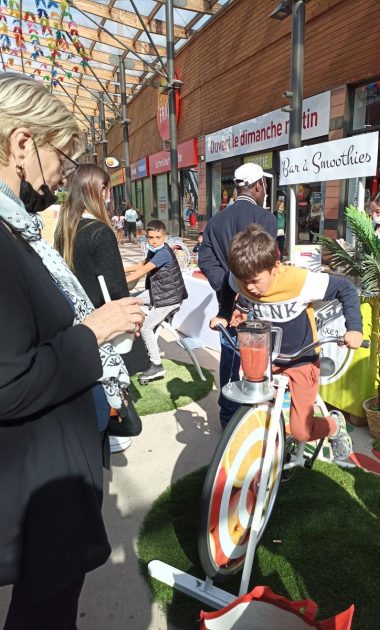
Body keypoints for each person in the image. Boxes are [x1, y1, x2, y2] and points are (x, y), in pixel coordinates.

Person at [0, 72, 145, 629]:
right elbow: (9, 380)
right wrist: (94, 332)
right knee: (45, 612)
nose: (65, 170)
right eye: (62, 152)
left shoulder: (21, 228)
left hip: (47, 468)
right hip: (38, 481)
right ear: (21, 142)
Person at [211, 225, 363, 460]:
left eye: (254, 281)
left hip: (302, 358)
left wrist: (353, 328)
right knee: (258, 412)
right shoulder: (240, 278)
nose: (249, 288)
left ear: (275, 267)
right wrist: (224, 312)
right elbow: (228, 287)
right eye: (244, 282)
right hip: (266, 358)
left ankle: (333, 425)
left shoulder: (299, 280)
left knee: (302, 430)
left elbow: (345, 288)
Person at [54, 164, 148, 454]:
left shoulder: (65, 229)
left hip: (79, 319)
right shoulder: (99, 231)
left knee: (97, 376)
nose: (109, 195)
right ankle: (113, 424)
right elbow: (117, 288)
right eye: (106, 188)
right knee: (113, 376)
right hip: (106, 318)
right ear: (99, 190)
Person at [199, 162, 277, 429]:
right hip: (257, 305)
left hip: (228, 306)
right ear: (258, 186)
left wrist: (226, 289)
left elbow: (205, 261)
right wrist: (240, 298)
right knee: (261, 359)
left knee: (231, 359)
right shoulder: (265, 219)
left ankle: (228, 416)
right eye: (264, 186)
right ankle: (256, 414)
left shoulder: (216, 220)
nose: (264, 190)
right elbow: (265, 265)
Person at [125, 220, 188, 382]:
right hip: (160, 292)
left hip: (169, 298)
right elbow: (143, 264)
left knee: (146, 327)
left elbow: (142, 271)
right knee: (130, 299)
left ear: (164, 237)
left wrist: (121, 280)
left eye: (157, 237)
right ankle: (142, 346)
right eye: (150, 237)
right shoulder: (155, 250)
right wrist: (121, 269)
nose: (153, 241)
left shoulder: (163, 253)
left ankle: (156, 365)